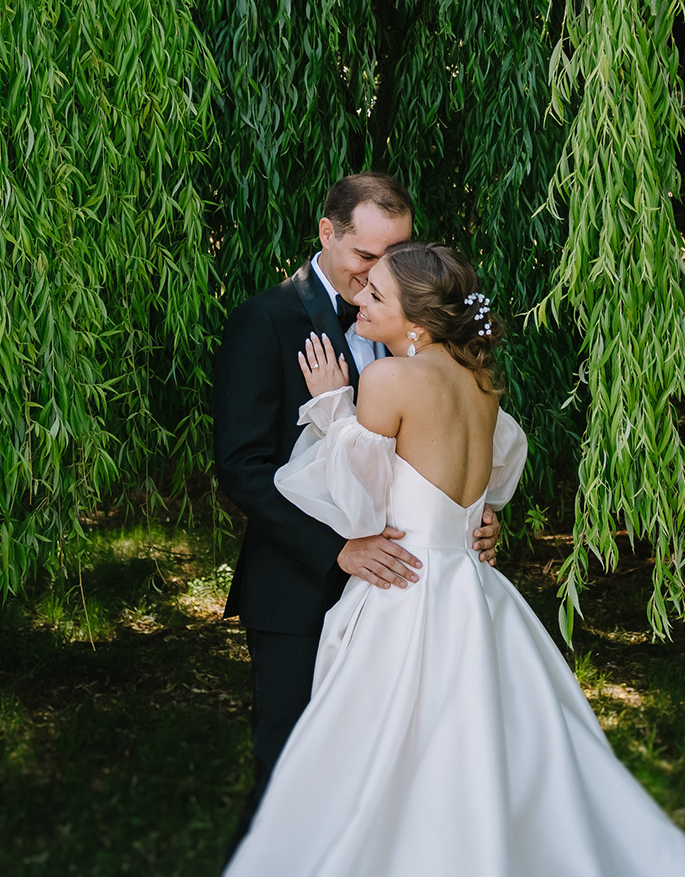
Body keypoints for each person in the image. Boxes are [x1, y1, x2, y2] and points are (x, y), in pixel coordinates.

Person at [223, 241, 685, 877]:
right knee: (474, 741)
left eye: (376, 296)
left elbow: (356, 502)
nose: (359, 302)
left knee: (382, 746)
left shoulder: (386, 379)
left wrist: (329, 407)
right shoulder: (483, 384)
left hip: (405, 587)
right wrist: (473, 521)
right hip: (471, 586)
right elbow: (489, 472)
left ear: (419, 324)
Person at [212, 174, 501, 843]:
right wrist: (335, 549)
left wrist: (470, 515)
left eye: (398, 253)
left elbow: (442, 452)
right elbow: (242, 468)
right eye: (366, 257)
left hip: (409, 602)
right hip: (300, 590)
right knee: (292, 773)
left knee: (398, 776)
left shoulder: (426, 345)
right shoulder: (265, 320)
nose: (382, 271)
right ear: (328, 233)